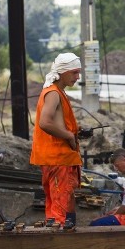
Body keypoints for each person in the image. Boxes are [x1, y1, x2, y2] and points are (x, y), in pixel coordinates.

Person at [30, 52, 83, 229]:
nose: (77, 77)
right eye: (74, 72)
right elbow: (45, 122)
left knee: (55, 204)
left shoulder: (55, 92)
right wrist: (68, 136)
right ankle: (59, 241)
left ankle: (58, 239)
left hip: (55, 158)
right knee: (60, 205)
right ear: (63, 72)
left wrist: (73, 130)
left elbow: (57, 122)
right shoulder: (53, 93)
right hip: (58, 158)